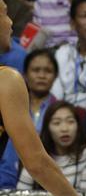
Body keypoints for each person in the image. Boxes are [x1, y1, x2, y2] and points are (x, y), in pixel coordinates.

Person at [0, 48, 57, 188]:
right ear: (24, 74)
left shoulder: (61, 111)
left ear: (56, 76)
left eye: (48, 71)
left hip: (46, 182)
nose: (42, 75)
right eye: (36, 70)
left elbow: (38, 161)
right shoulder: (7, 99)